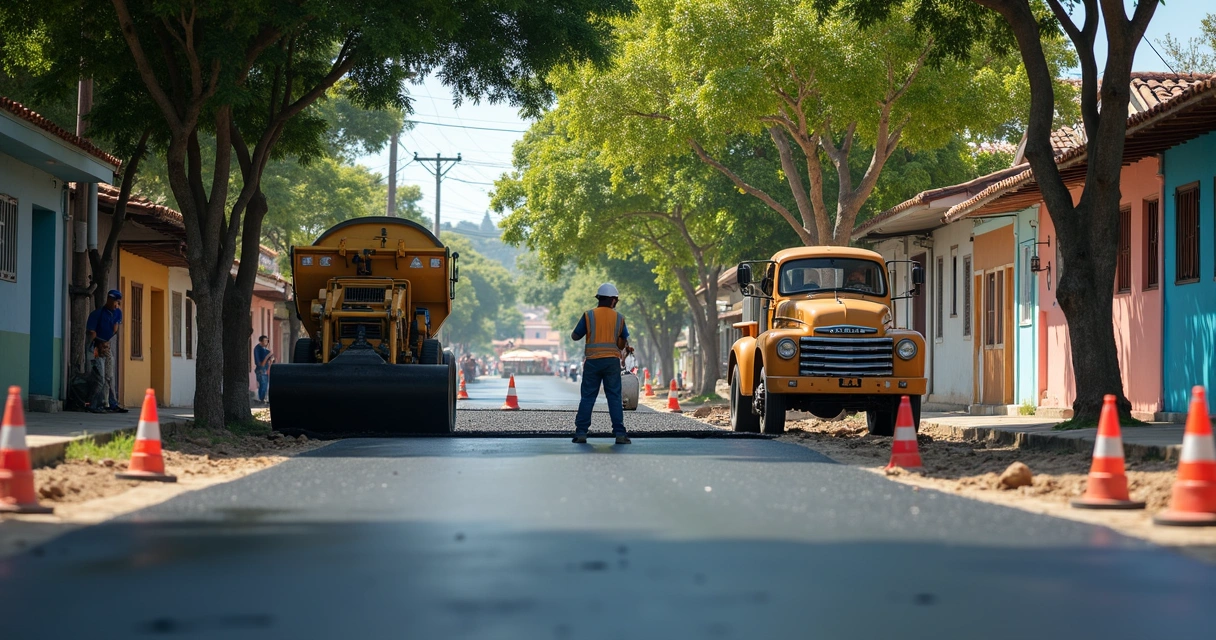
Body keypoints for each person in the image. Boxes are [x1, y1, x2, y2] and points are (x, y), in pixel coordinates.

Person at [570, 283, 633, 444]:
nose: (616, 303)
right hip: (611, 362)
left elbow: (575, 336)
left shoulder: (588, 315)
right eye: (616, 300)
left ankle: (581, 433)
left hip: (593, 361)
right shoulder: (619, 318)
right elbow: (622, 343)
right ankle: (619, 434)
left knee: (588, 397)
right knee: (614, 397)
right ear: (612, 300)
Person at [85, 290, 127, 414]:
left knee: (110, 377)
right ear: (108, 299)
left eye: (118, 302)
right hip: (96, 347)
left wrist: (106, 343)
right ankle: (93, 404)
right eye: (114, 301)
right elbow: (91, 333)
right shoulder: (97, 314)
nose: (116, 304)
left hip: (106, 346)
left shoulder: (117, 313)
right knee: (100, 377)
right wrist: (95, 347)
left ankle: (111, 403)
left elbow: (115, 329)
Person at [253, 335, 273, 404]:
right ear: (260, 341)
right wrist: (268, 356)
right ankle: (260, 400)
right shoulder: (257, 349)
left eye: (267, 340)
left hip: (265, 370)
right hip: (261, 370)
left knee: (265, 385)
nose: (266, 342)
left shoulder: (265, 349)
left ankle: (262, 399)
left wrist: (271, 357)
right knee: (263, 385)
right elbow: (261, 364)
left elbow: (271, 359)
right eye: (265, 341)